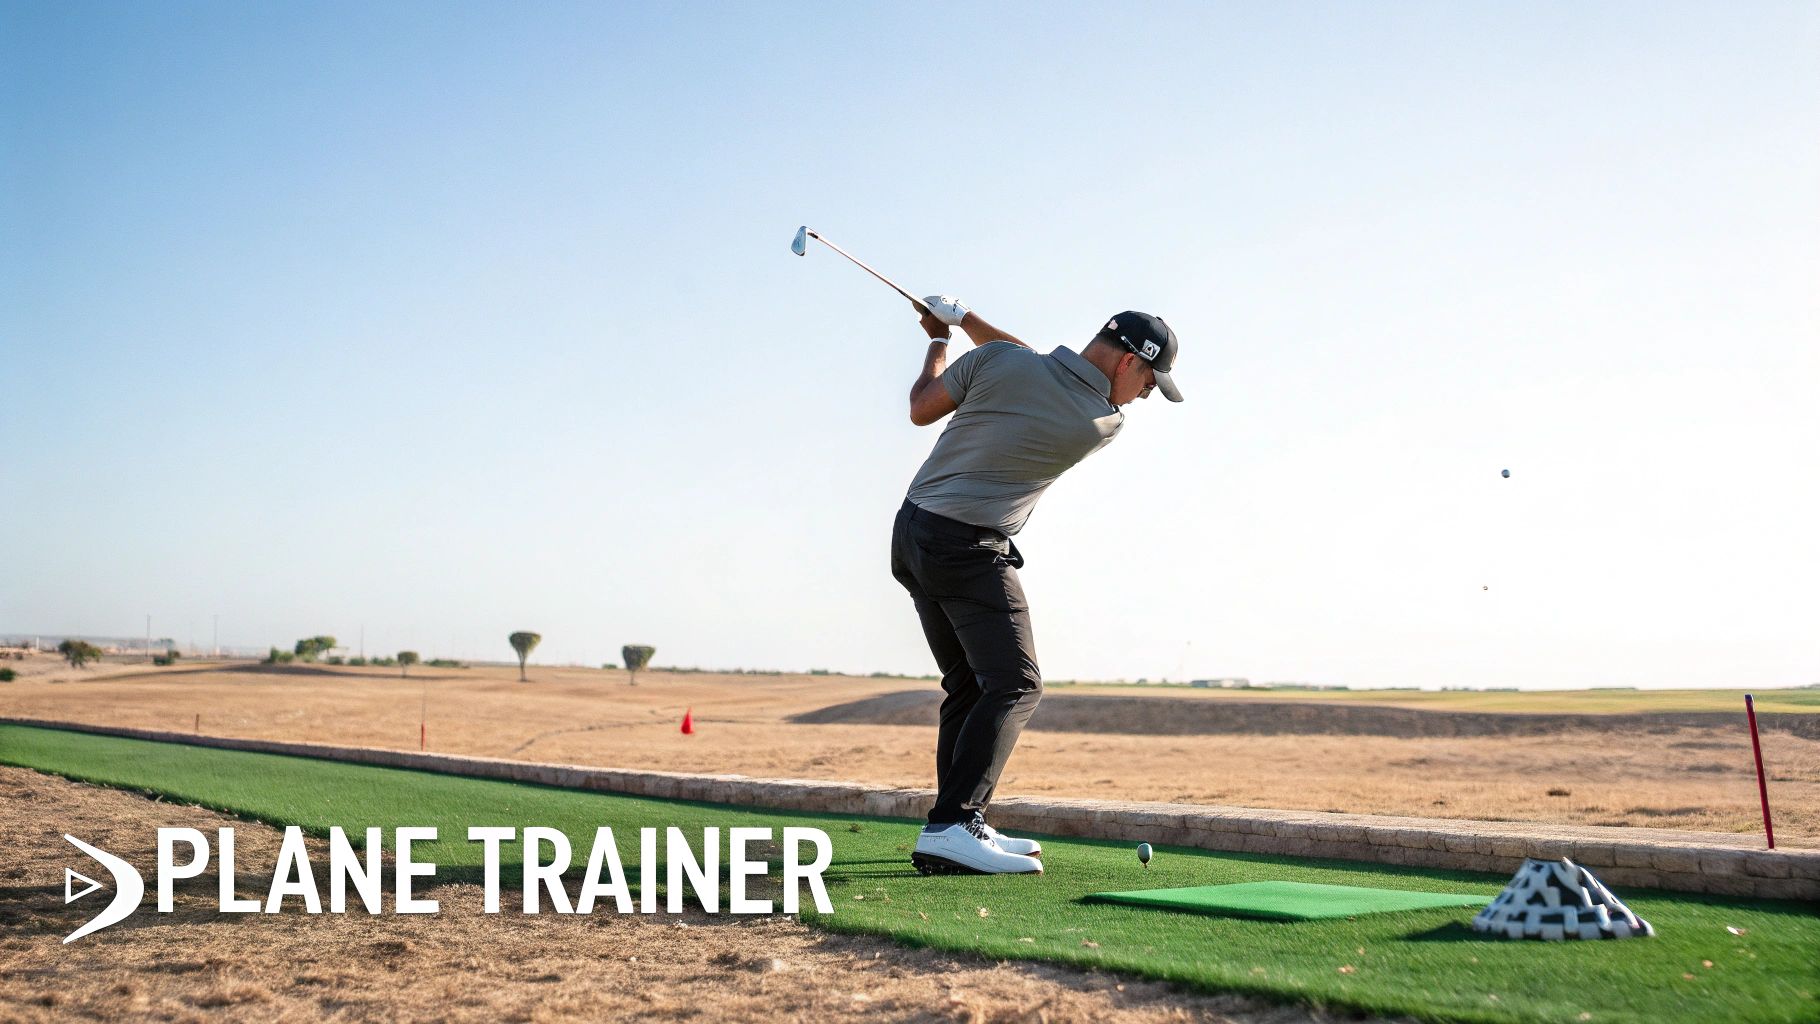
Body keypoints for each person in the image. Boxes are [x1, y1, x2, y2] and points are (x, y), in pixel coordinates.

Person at [893, 294, 1182, 874]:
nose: (1148, 394)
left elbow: (924, 407)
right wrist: (965, 321)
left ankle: (951, 822)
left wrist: (942, 335)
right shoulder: (1101, 422)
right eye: (1151, 379)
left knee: (971, 686)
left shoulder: (997, 362)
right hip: (969, 549)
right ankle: (954, 824)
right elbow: (1030, 363)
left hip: (912, 534)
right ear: (1128, 362)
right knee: (1017, 684)